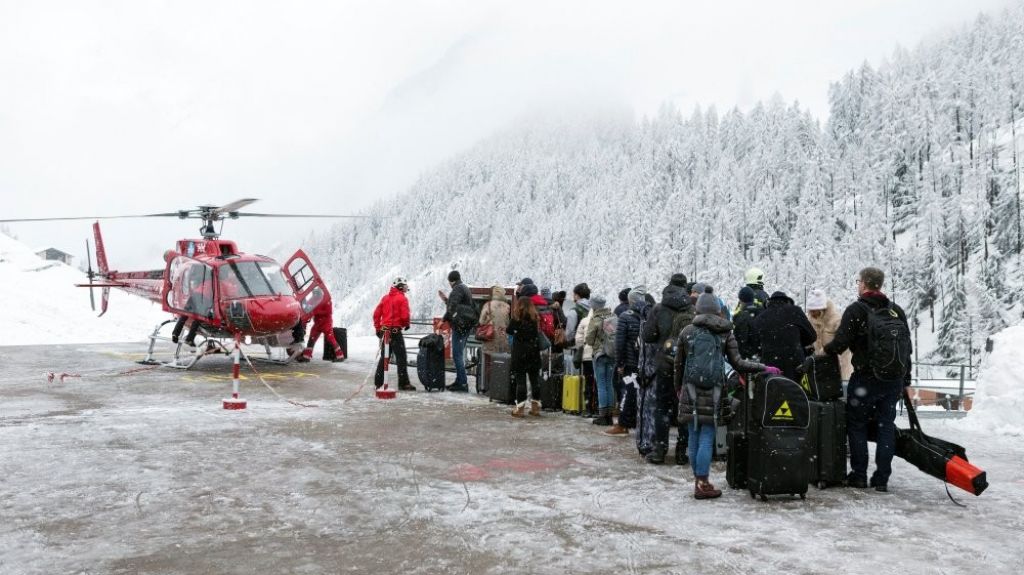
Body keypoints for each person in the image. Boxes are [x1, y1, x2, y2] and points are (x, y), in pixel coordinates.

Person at [675, 292, 776, 500]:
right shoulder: (724, 333)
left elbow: (678, 364)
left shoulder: (687, 332)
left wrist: (678, 387)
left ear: (698, 309)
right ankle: (702, 483)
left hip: (690, 388)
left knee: (693, 435)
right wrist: (763, 367)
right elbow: (738, 363)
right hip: (714, 391)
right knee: (707, 435)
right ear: (717, 310)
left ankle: (699, 481)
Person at [823, 267, 913, 492]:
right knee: (886, 426)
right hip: (892, 380)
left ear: (863, 283)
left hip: (865, 378)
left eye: (858, 281)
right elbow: (907, 349)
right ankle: (882, 479)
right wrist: (906, 380)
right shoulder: (896, 311)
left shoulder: (856, 310)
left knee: (857, 425)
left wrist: (824, 350)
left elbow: (840, 344)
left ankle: (859, 475)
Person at [641, 273, 695, 465]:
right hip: (685, 365)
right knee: (684, 407)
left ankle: (660, 450)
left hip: (664, 364)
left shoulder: (658, 308)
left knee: (662, 407)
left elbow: (647, 336)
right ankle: (682, 451)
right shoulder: (692, 309)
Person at [605, 286, 649, 437]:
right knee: (642, 394)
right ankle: (640, 422)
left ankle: (623, 424)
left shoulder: (625, 316)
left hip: (630, 363)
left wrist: (620, 363)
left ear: (630, 301)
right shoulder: (649, 314)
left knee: (627, 392)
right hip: (646, 362)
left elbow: (620, 342)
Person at [751, 291, 817, 381]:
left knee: (773, 387)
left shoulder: (761, 317)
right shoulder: (795, 311)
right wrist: (798, 342)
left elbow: (754, 343)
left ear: (769, 303)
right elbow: (812, 336)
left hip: (770, 366)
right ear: (787, 301)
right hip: (795, 364)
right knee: (796, 388)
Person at [506, 296, 544, 417]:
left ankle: (520, 409)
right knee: (535, 380)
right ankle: (536, 408)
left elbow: (509, 330)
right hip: (534, 352)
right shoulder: (535, 318)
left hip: (520, 353)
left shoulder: (517, 318)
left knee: (520, 381)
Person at [373, 277, 412, 391]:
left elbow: (376, 314)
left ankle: (378, 383)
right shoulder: (402, 299)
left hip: (385, 331)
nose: (406, 288)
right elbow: (405, 316)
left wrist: (378, 329)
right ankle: (403, 383)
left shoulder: (385, 298)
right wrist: (406, 324)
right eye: (405, 286)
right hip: (395, 332)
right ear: (400, 286)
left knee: (384, 357)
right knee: (401, 357)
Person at [805, 288, 853, 379]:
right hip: (822, 366)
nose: (811, 313)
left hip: (840, 364)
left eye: (814, 310)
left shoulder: (836, 319)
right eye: (810, 310)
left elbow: (843, 343)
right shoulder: (810, 319)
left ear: (821, 308)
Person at [439, 270, 474, 392]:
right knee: (459, 354)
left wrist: (443, 320)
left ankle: (462, 383)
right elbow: (457, 305)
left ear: (451, 281)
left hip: (460, 327)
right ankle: (459, 380)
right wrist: (445, 300)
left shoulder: (457, 289)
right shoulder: (464, 288)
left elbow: (452, 307)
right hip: (466, 326)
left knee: (457, 355)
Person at [585, 294, 615, 425]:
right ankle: (610, 415)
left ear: (594, 306)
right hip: (612, 354)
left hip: (599, 355)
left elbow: (589, 340)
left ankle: (602, 415)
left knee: (601, 384)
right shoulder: (613, 316)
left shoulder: (596, 319)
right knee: (609, 383)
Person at [299, 287, 345, 363]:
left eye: (316, 294)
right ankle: (306, 357)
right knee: (312, 339)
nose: (314, 295)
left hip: (326, 323)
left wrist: (315, 311)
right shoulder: (314, 299)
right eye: (314, 294)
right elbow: (308, 306)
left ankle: (340, 356)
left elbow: (329, 312)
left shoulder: (326, 300)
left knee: (331, 339)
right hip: (317, 323)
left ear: (319, 294)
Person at [573, 296, 595, 416]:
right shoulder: (607, 319)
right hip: (602, 356)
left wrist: (582, 348)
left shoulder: (585, 321)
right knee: (602, 383)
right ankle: (600, 408)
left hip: (588, 357)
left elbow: (579, 340)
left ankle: (588, 407)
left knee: (589, 382)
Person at [732, 286, 763, 360]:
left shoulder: (741, 317)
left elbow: (741, 340)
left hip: (747, 358)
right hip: (762, 356)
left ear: (741, 300)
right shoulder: (762, 312)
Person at [478, 285, 511, 355]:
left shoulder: (488, 305)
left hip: (490, 336)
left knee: (488, 358)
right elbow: (507, 323)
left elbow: (481, 321)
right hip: (502, 338)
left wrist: (488, 321)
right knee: (500, 359)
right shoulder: (507, 306)